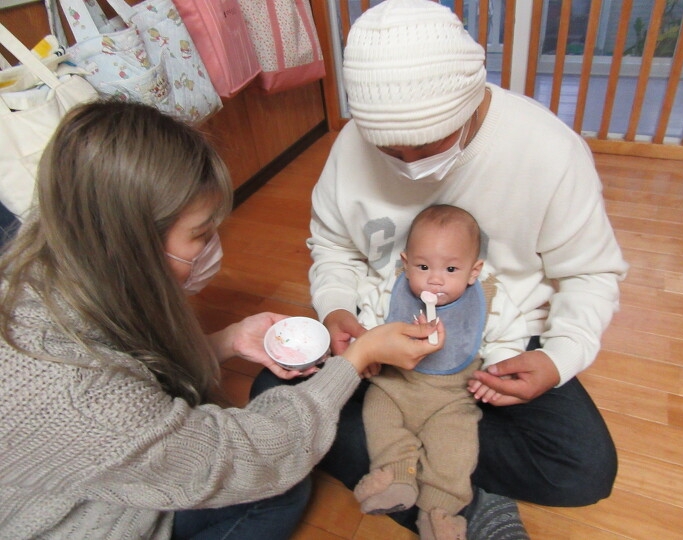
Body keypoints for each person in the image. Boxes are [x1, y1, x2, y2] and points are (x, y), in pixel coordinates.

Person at [252, 0, 628, 535]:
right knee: (269, 395)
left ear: (470, 103)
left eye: (425, 145)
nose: (408, 164)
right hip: (381, 337)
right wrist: (335, 310)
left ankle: (431, 455)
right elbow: (333, 246)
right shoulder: (351, 145)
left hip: (499, 344)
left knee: (583, 470)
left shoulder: (549, 151)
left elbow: (590, 274)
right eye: (389, 150)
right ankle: (456, 505)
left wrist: (558, 359)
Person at [0, 99, 445, 540]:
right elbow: (252, 457)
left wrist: (227, 340)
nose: (214, 246)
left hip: (88, 474)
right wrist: (356, 359)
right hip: (83, 519)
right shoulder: (83, 398)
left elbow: (129, 373)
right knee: (280, 482)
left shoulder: (45, 268)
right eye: (200, 234)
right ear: (132, 242)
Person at [354, 204, 529, 539]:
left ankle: (440, 509)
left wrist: (499, 369)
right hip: (394, 385)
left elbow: (509, 335)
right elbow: (370, 318)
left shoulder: (489, 297)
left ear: (473, 272)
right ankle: (395, 476)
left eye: (450, 269)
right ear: (406, 264)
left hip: (453, 398)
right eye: (423, 267)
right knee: (377, 416)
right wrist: (367, 349)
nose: (435, 279)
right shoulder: (392, 289)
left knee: (456, 448)